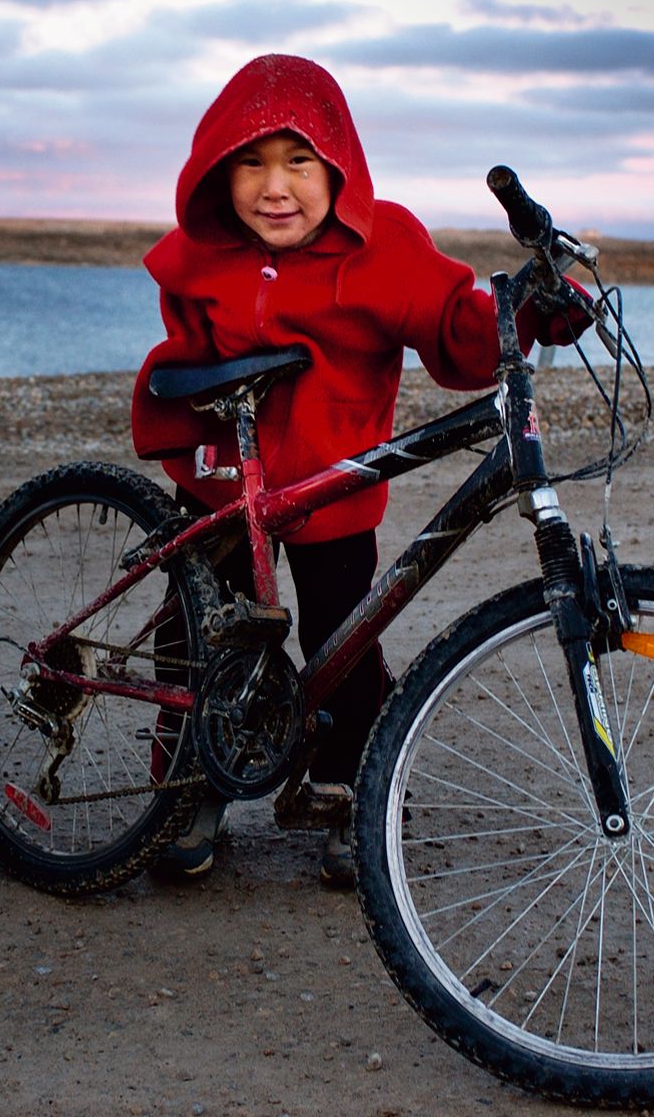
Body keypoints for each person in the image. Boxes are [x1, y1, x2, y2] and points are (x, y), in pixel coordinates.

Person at [130, 54, 589, 886]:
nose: (276, 187)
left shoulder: (386, 249)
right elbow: (183, 353)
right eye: (251, 164)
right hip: (223, 484)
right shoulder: (204, 256)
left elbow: (455, 323)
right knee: (194, 636)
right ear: (216, 173)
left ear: (338, 166)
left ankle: (345, 786)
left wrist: (524, 315)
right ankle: (189, 781)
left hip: (336, 490)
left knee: (345, 639)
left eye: (299, 162)